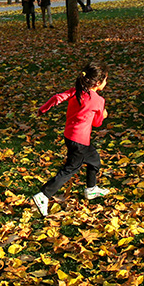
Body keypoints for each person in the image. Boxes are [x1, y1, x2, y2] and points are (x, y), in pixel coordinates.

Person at [31, 62, 110, 217]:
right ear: (99, 83)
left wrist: (43, 109)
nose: (107, 83)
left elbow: (57, 97)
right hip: (80, 141)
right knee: (70, 169)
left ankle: (91, 189)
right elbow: (97, 123)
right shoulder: (98, 101)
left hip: (70, 136)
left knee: (94, 159)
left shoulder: (77, 91)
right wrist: (103, 114)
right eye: (106, 80)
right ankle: (43, 195)